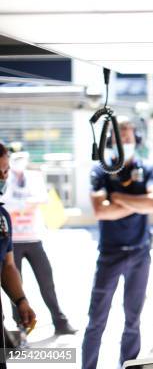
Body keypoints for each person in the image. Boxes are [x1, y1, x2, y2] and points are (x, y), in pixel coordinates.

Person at [82, 118, 153, 369]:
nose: (124, 141)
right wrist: (136, 201)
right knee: (97, 319)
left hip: (140, 253)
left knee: (133, 319)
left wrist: (116, 196)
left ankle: (127, 365)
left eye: (128, 136)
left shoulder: (147, 168)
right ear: (110, 141)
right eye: (119, 138)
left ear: (136, 139)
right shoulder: (100, 171)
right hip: (109, 254)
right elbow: (100, 211)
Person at [2, 150, 76, 338]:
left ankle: (60, 321)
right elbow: (7, 203)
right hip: (14, 240)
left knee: (46, 281)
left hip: (33, 237)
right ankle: (21, 329)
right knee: (15, 285)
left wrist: (20, 204)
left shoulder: (33, 177)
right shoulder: (6, 182)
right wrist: (25, 203)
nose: (6, 173)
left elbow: (42, 199)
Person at [0, 143, 36, 369]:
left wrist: (21, 301)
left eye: (4, 171)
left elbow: (7, 265)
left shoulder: (2, 217)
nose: (3, 177)